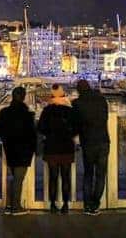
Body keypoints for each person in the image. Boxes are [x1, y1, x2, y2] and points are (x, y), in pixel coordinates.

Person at [0, 86, 36, 215]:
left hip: (10, 148)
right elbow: (32, 133)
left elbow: (0, 129)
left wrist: (6, 139)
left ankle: (9, 204)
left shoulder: (4, 113)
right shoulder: (27, 114)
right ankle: (16, 206)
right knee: (18, 178)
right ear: (23, 97)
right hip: (24, 150)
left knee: (14, 177)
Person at [37, 84, 76, 215]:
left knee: (53, 177)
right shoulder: (70, 110)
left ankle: (53, 205)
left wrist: (49, 134)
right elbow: (77, 127)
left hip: (52, 146)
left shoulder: (47, 110)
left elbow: (41, 127)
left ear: (52, 96)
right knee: (66, 177)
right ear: (64, 95)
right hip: (66, 146)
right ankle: (65, 205)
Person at [72, 79, 109, 216]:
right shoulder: (101, 100)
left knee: (88, 174)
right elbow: (105, 117)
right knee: (100, 175)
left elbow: (75, 124)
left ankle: (87, 205)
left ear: (78, 90)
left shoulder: (77, 104)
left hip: (88, 142)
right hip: (103, 141)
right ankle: (95, 204)